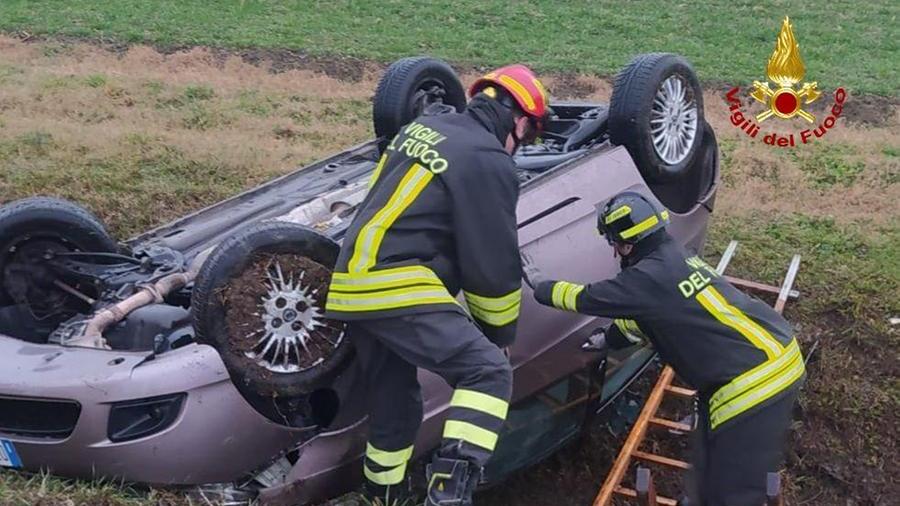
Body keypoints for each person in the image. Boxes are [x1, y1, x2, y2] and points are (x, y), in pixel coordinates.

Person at [325, 64, 551, 506]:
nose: (524, 146)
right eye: (531, 134)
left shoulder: (423, 127)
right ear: (520, 120)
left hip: (351, 283)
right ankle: (447, 497)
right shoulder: (489, 160)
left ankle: (381, 497)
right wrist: (498, 336)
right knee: (486, 372)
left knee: (396, 403)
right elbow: (492, 265)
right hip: (396, 283)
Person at [522, 191, 805, 505]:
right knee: (708, 454)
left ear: (626, 244)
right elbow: (649, 319)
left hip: (751, 381)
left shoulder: (644, 279)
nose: (615, 253)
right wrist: (609, 339)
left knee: (731, 482)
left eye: (614, 244)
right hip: (773, 348)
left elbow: (582, 298)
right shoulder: (676, 256)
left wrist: (538, 284)